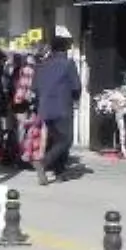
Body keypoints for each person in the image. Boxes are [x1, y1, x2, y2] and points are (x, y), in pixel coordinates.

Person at [31, 36, 81, 185]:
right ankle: (43, 162)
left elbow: (35, 88)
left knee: (56, 141)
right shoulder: (68, 64)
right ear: (65, 49)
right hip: (62, 107)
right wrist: (75, 99)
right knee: (66, 140)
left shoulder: (41, 65)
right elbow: (76, 87)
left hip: (45, 108)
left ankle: (60, 172)